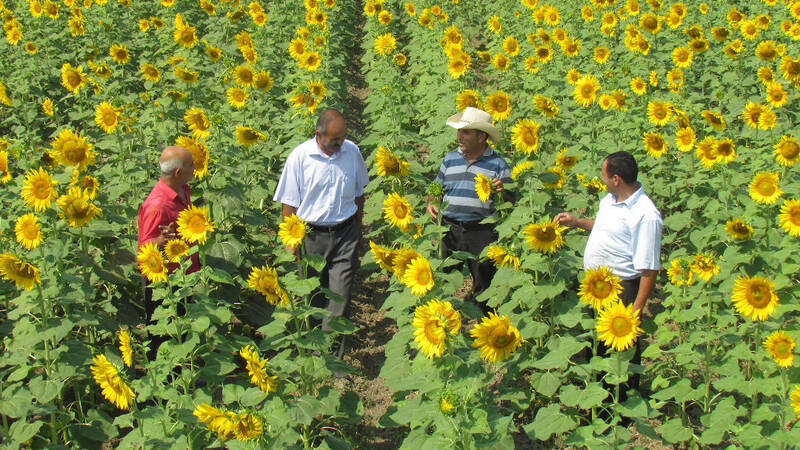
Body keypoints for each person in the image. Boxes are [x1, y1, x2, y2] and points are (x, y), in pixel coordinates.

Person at [555, 150, 662, 398]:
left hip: (622, 288)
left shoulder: (645, 215)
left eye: (604, 175)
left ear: (616, 178)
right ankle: (599, 400)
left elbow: (649, 268)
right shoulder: (610, 199)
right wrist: (576, 222)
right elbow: (605, 227)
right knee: (600, 347)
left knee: (621, 353)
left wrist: (636, 310)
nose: (601, 180)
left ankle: (623, 406)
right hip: (598, 287)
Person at [273, 109, 368, 357]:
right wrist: (290, 241)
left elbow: (359, 194)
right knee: (312, 296)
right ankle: (313, 352)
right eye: (335, 139)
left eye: (343, 137)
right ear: (318, 135)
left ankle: (331, 357)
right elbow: (289, 203)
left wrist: (359, 230)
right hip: (310, 236)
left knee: (340, 296)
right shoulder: (300, 157)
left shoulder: (352, 152)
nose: (340, 144)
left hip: (345, 232)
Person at [426, 107, 514, 312]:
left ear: (481, 137)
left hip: (481, 232)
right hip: (449, 229)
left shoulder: (498, 164)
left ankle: (486, 325)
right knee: (445, 281)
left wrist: (502, 191)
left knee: (484, 285)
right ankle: (445, 321)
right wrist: (432, 202)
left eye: (466, 132)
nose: (459, 136)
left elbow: (512, 200)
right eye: (459, 131)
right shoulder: (450, 159)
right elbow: (435, 189)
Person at [137, 146, 200, 321]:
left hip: (183, 274)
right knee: (167, 329)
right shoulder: (158, 206)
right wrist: (160, 240)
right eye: (191, 164)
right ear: (178, 172)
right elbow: (143, 251)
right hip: (166, 283)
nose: (195, 167)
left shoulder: (182, 189)